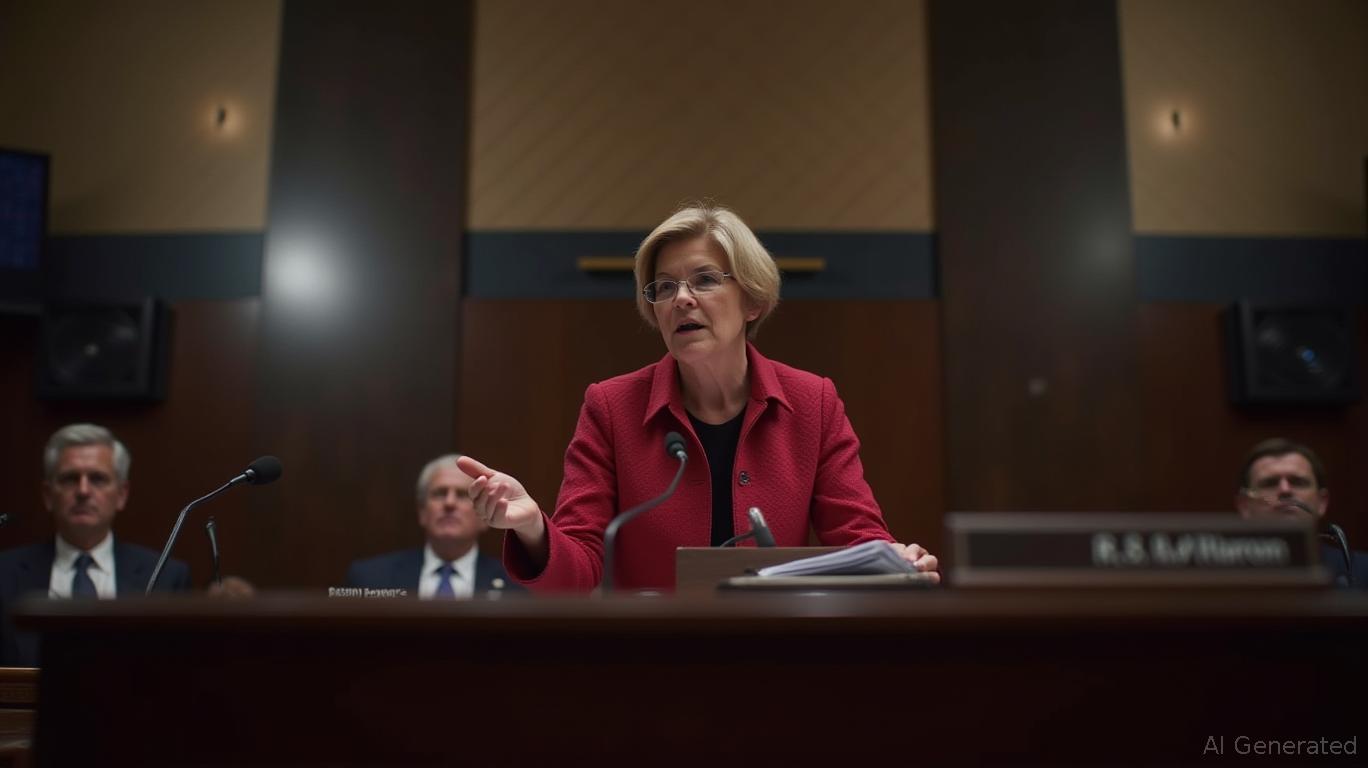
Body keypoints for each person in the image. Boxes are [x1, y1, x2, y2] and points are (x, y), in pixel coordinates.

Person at [457, 203, 940, 591]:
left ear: (753, 301)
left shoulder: (812, 401)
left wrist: (895, 560)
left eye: (705, 280)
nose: (681, 299)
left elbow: (858, 537)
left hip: (775, 656)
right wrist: (532, 527)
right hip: (654, 660)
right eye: (664, 287)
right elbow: (578, 574)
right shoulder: (611, 407)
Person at [0, 423, 191, 666]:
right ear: (48, 495)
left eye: (97, 479)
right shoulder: (4, 573)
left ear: (121, 494)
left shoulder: (167, 576)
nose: (83, 490)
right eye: (70, 479)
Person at [344, 454, 518, 598]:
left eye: (462, 495)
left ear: (484, 517)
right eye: (440, 493)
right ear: (422, 513)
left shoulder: (516, 587)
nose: (449, 503)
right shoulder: (368, 579)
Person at [1235, 437, 1367, 588]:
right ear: (1245, 505)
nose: (1285, 490)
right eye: (1269, 483)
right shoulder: (1223, 575)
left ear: (1322, 502)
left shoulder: (1362, 571)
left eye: (1298, 482)